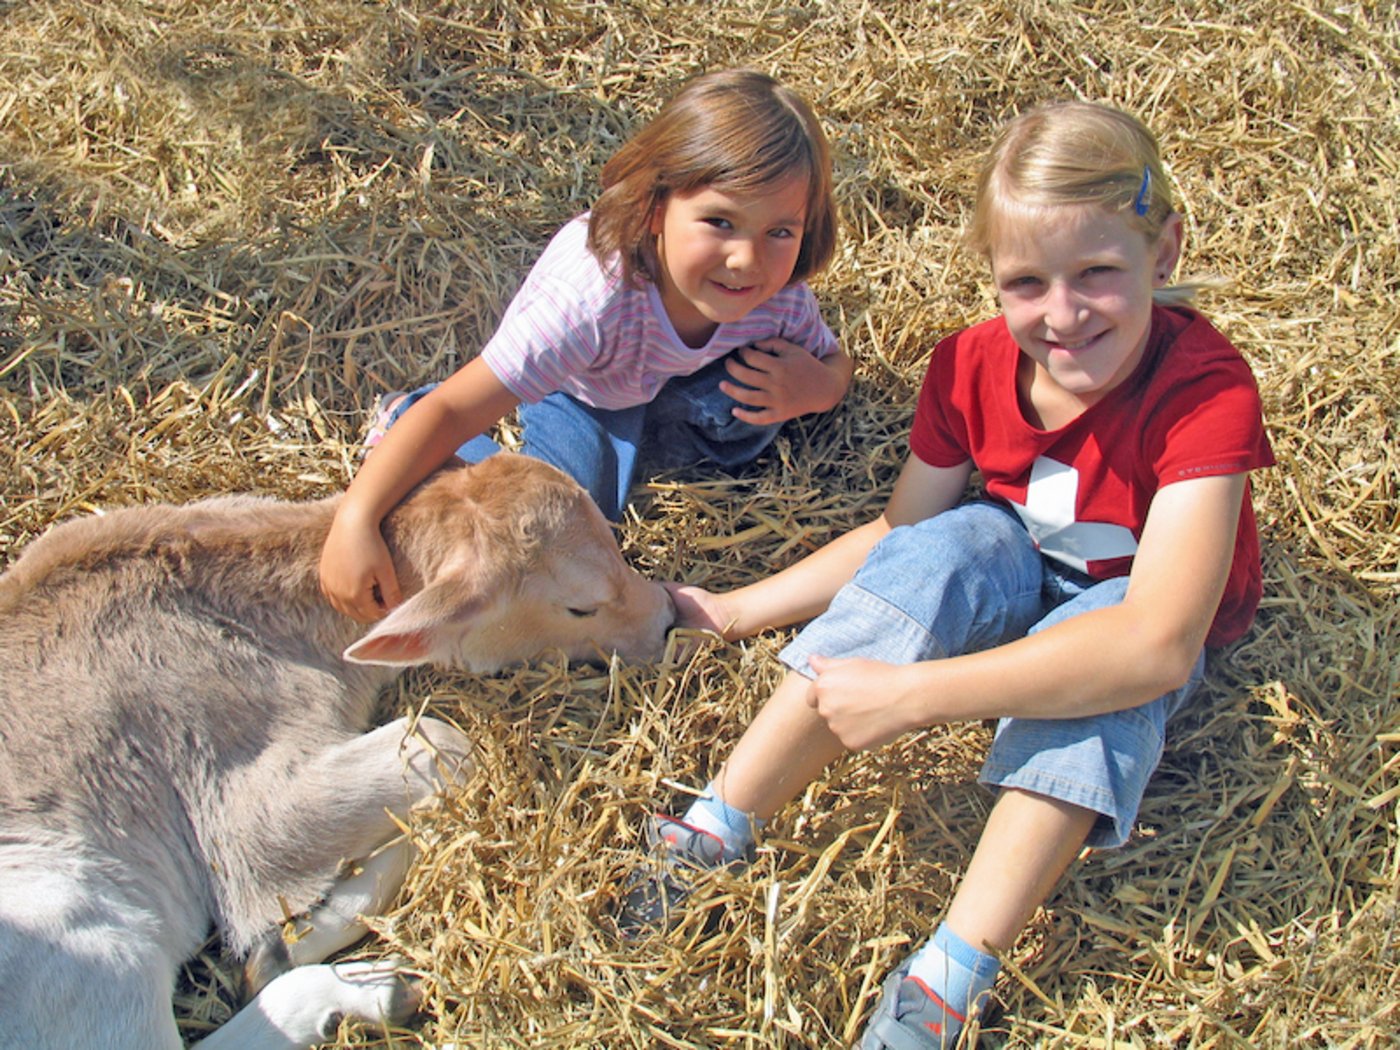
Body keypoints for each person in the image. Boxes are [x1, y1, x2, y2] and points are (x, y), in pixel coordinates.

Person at [616, 100, 1274, 1049]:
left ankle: (949, 974)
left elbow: (1158, 646)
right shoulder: (968, 363)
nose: (1062, 314)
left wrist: (917, 696)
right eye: (1025, 282)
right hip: (1012, 557)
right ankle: (721, 820)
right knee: (952, 544)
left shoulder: (1203, 389)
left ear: (1162, 252)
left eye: (1098, 273)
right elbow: (899, 529)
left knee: (1104, 671)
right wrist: (736, 607)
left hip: (1125, 614)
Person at [320, 69, 852, 623]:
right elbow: (454, 408)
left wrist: (819, 387)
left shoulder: (776, 298)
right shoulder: (587, 304)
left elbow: (834, 361)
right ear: (654, 210)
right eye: (720, 221)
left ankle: (644, 439)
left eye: (780, 232)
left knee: (753, 415)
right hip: (584, 391)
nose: (747, 260)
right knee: (569, 523)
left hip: (668, 379)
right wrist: (356, 518)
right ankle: (400, 421)